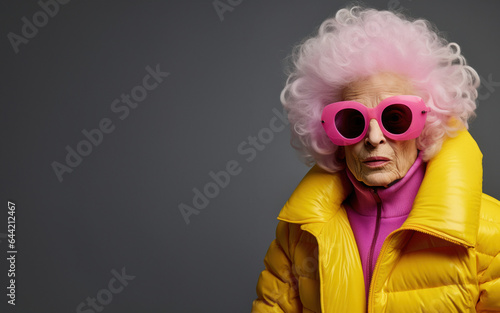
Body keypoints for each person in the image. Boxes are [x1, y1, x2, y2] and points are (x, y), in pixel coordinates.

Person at [251, 6, 500, 313]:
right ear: (331, 135)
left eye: (395, 118)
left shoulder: (491, 234)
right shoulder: (298, 235)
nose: (373, 138)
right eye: (352, 121)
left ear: (426, 127)